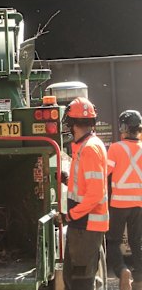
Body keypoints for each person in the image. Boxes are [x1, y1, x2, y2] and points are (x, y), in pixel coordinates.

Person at [62, 97, 109, 290]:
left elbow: (95, 193)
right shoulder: (86, 146)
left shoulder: (89, 149)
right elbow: (86, 184)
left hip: (85, 226)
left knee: (81, 281)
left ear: (73, 124)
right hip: (84, 226)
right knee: (75, 279)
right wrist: (66, 180)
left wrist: (71, 215)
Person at [106, 110, 142, 290]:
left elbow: (105, 172)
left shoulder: (115, 148)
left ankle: (122, 270)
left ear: (123, 128)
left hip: (119, 204)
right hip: (139, 204)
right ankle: (139, 280)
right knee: (137, 241)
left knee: (113, 241)